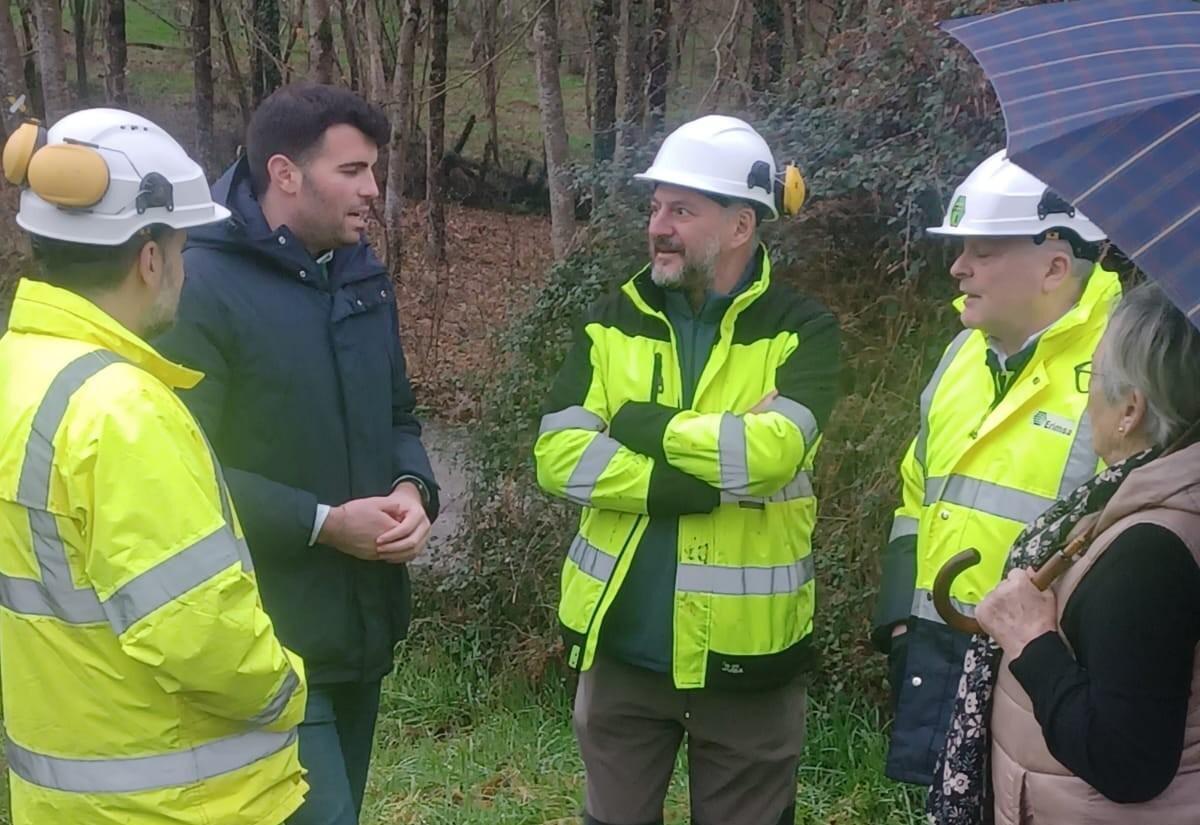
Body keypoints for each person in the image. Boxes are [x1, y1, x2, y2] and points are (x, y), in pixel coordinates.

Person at [0, 109, 307, 824]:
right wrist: (287, 686)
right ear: (148, 259)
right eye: (182, 247)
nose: (185, 267)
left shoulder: (17, 370)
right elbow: (196, 630)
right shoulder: (120, 410)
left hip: (63, 795)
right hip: (184, 802)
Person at [534, 115, 841, 825]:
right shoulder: (611, 318)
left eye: (681, 210)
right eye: (655, 207)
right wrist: (677, 482)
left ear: (740, 226)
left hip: (748, 662)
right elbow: (556, 454)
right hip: (620, 656)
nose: (658, 226)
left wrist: (637, 422)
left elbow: (768, 457)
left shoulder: (805, 330)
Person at [156, 84, 438, 825]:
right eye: (352, 171)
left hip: (362, 635)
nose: (372, 190)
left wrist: (413, 487)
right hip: (265, 646)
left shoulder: (361, 274)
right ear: (285, 173)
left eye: (372, 170)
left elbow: (399, 416)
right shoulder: (200, 283)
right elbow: (180, 468)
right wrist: (319, 521)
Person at [871, 149, 1121, 785]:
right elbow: (916, 495)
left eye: (982, 252)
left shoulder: (1129, 370)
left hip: (1052, 673)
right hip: (938, 647)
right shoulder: (961, 354)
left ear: (1055, 264)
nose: (958, 269)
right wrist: (902, 616)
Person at [928, 284, 1200, 824]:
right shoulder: (1151, 498)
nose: (1088, 395)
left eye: (1092, 378)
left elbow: (1128, 763)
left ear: (1130, 408)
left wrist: (1030, 640)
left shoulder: (1153, 550)